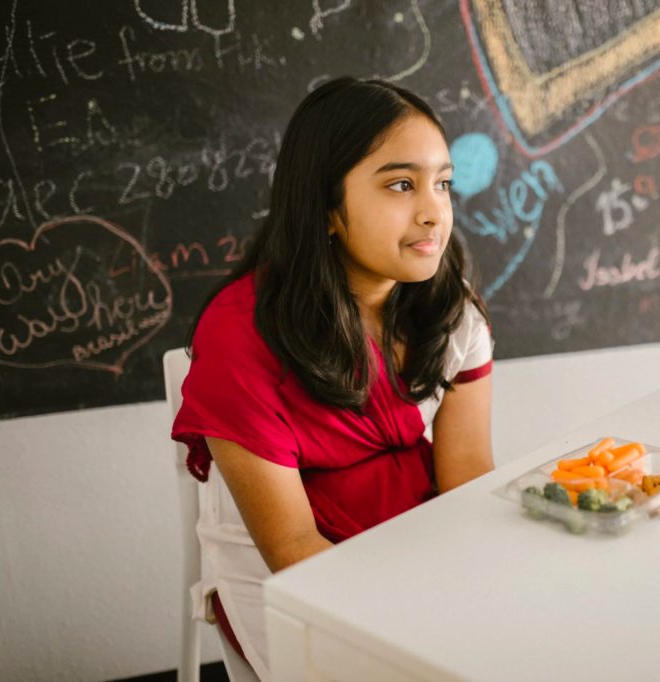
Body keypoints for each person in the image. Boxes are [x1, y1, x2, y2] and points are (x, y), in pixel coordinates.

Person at [171, 77, 494, 680]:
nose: (433, 212)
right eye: (402, 185)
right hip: (297, 574)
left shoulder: (453, 312)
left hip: (418, 534)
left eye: (443, 183)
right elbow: (291, 548)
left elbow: (467, 480)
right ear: (327, 211)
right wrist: (419, 619)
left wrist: (475, 589)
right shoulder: (241, 335)